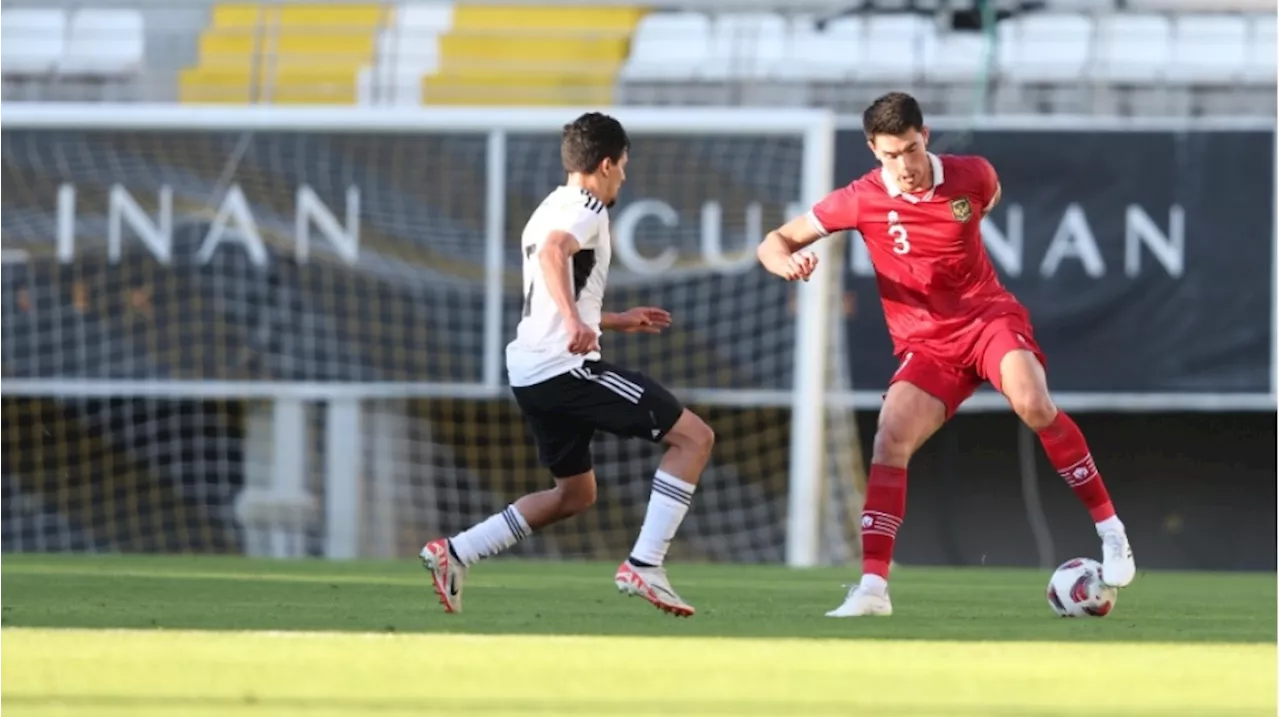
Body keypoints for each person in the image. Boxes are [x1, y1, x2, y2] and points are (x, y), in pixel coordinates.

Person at [757, 92, 1136, 618]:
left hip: (986, 320)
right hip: (928, 345)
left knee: (1033, 403)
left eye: (910, 150)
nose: (904, 166)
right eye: (890, 155)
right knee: (890, 439)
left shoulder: (972, 176)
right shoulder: (859, 199)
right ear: (873, 150)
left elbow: (992, 194)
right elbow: (776, 240)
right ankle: (872, 588)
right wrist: (783, 264)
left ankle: (1111, 532)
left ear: (925, 136)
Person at [421, 112, 714, 618]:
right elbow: (556, 254)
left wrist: (613, 320)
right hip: (566, 369)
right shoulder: (587, 206)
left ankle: (457, 552)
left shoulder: (550, 205)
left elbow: (556, 273)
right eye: (623, 166)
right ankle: (646, 564)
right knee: (695, 438)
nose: (624, 176)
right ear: (605, 164)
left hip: (532, 373)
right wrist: (577, 323)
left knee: (574, 494)